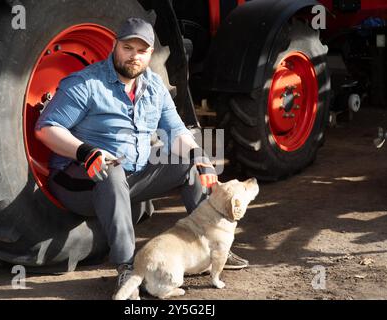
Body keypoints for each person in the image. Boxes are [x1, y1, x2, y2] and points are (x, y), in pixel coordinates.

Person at [35, 17, 248, 297]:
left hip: (131, 176)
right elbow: (46, 128)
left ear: (150, 54)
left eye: (142, 50)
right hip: (80, 181)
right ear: (115, 46)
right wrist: (86, 151)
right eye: (127, 47)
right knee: (111, 170)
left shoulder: (154, 87)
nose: (134, 56)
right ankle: (126, 267)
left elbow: (176, 132)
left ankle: (215, 246)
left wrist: (201, 158)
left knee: (191, 163)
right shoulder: (85, 83)